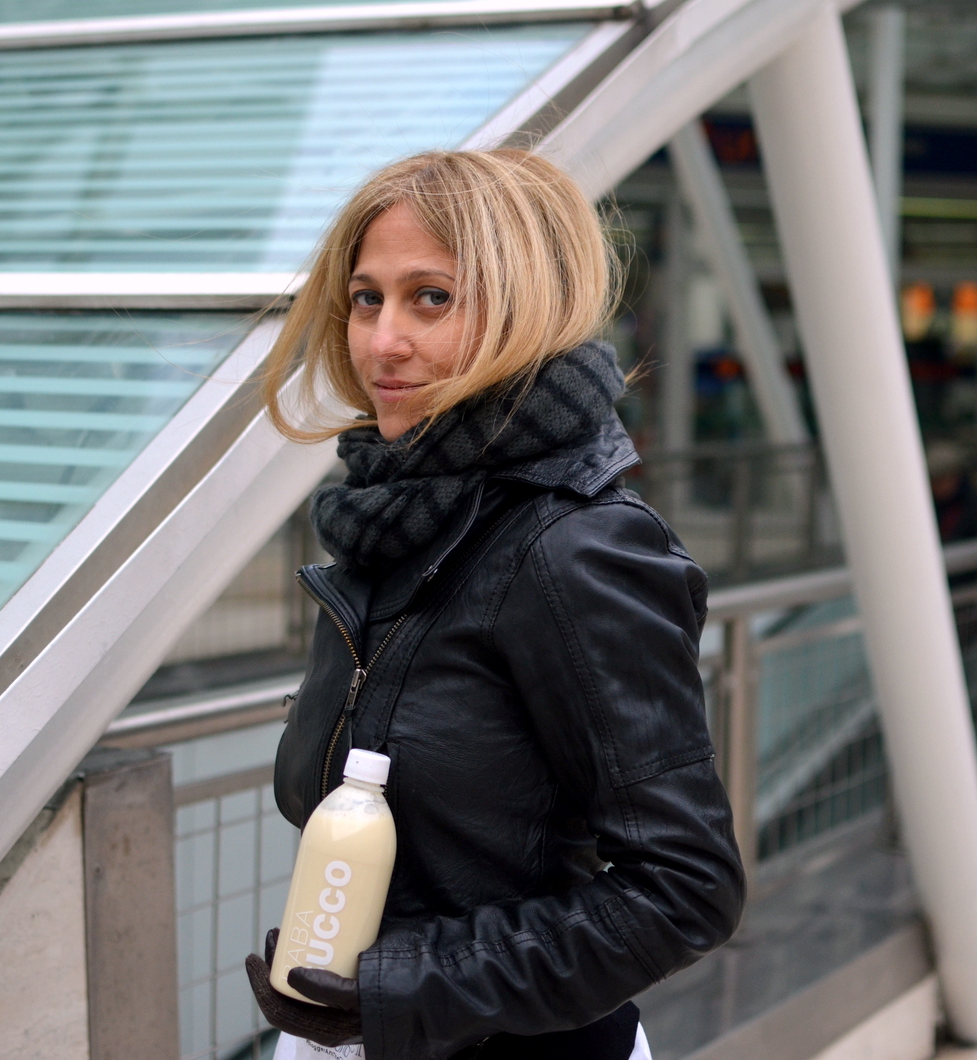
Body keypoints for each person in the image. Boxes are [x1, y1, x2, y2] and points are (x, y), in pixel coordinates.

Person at [245, 149, 745, 1060]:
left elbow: (685, 890)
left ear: (526, 309)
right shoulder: (391, 517)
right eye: (366, 298)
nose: (383, 341)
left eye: (431, 297)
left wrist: (407, 987)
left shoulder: (575, 548)